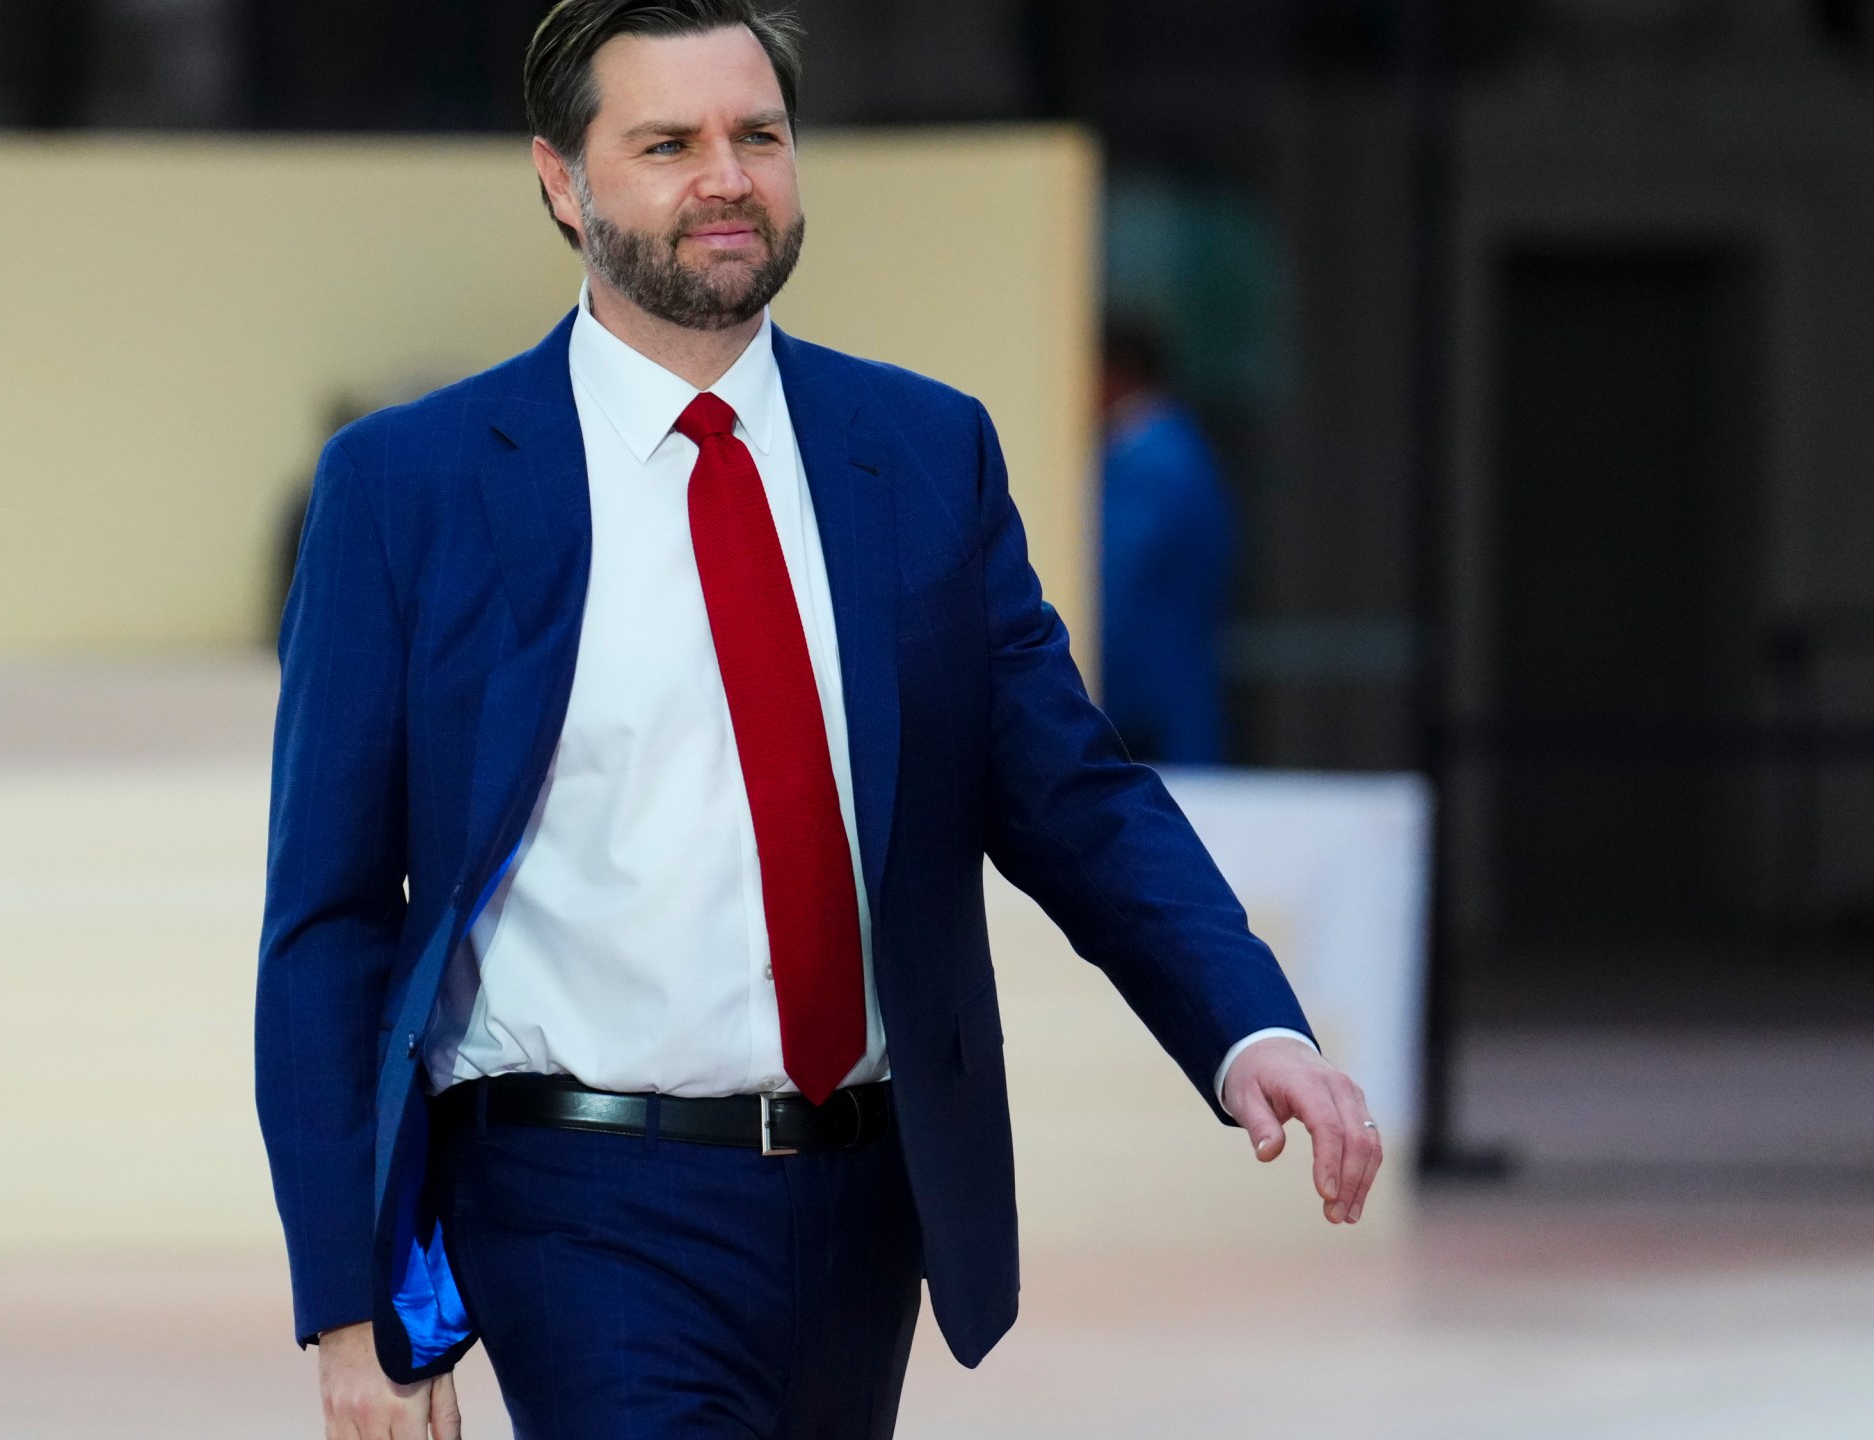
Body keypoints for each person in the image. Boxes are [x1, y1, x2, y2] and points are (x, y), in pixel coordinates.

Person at [257, 4, 1384, 1437]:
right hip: (573, 1199)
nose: (726, 176)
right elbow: (329, 921)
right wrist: (355, 1303)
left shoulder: (919, 454)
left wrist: (1248, 1030)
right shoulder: (410, 490)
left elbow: (1072, 794)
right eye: (667, 143)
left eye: (758, 136)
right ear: (563, 180)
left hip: (868, 1203)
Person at [1096, 317, 1235, 765]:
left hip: (1145, 709)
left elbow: (1112, 589)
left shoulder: (1150, 461)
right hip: (1165, 697)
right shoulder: (1173, 448)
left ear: (1114, 373)